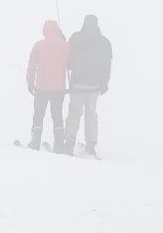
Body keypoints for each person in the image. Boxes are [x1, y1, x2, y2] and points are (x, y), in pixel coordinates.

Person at [64, 15, 112, 156]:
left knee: (74, 113)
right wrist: (105, 83)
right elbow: (107, 66)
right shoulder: (104, 42)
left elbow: (69, 61)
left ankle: (69, 142)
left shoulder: (75, 38)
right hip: (94, 86)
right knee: (91, 114)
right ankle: (91, 144)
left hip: (78, 83)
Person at [25, 20, 70, 151]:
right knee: (57, 114)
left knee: (38, 113)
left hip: (41, 87)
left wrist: (30, 82)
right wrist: (63, 40)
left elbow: (32, 65)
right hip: (59, 88)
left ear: (44, 30)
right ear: (57, 30)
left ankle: (35, 141)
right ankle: (59, 144)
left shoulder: (39, 45)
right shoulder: (65, 46)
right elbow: (70, 63)